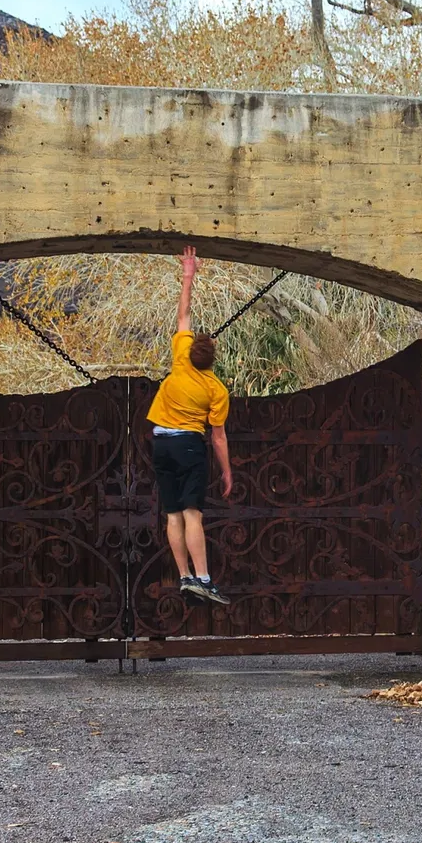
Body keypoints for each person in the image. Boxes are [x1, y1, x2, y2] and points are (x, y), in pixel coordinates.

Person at [146, 245, 234, 605]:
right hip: (188, 446)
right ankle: (204, 579)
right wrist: (227, 472)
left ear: (190, 352)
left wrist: (188, 275)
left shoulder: (180, 359)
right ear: (212, 360)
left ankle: (184, 576)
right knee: (192, 514)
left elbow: (183, 315)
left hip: (161, 444)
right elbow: (218, 438)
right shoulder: (216, 389)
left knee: (172, 515)